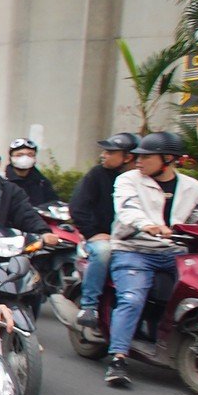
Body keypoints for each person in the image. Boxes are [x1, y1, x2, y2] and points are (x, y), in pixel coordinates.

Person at [104, 131, 198, 387]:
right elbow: (128, 209)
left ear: (168, 158)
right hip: (133, 249)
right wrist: (150, 225)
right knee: (132, 298)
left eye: (146, 157)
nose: (138, 161)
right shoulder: (128, 180)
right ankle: (117, 359)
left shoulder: (191, 187)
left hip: (174, 252)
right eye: (137, 156)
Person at [69, 132, 138, 328]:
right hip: (102, 237)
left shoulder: (141, 179)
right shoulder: (96, 175)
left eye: (110, 152)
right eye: (105, 152)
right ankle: (89, 305)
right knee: (103, 252)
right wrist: (92, 233)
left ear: (128, 157)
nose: (104, 155)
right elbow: (77, 207)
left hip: (135, 239)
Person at [2, 137, 61, 207]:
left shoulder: (42, 182)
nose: (24, 158)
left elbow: (54, 204)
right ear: (10, 158)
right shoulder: (2, 182)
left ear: (34, 158)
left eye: (30, 155)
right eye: (19, 155)